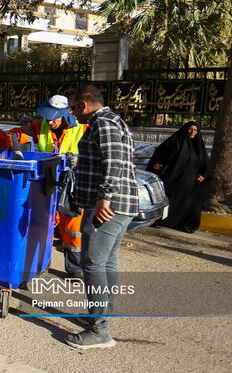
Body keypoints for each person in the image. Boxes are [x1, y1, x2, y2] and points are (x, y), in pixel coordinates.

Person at [65, 85, 138, 350]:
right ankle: (101, 316)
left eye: (73, 108)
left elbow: (114, 161)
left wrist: (105, 197)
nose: (72, 113)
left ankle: (100, 331)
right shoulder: (113, 120)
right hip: (120, 204)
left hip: (108, 206)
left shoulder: (102, 123)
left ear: (83, 105)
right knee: (107, 262)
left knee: (93, 263)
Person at [8, 95, 88, 278]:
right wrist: (17, 150)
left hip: (74, 182)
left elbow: (98, 152)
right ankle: (41, 266)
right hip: (49, 178)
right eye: (47, 117)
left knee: (74, 227)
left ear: (66, 114)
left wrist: (80, 160)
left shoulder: (83, 126)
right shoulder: (39, 126)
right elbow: (14, 133)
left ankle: (76, 271)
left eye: (54, 118)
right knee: (46, 224)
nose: (50, 121)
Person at [146, 121, 209, 233]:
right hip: (173, 179)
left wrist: (203, 175)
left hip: (190, 182)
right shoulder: (175, 141)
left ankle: (182, 224)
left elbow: (205, 163)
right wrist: (157, 163)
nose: (192, 132)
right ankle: (161, 221)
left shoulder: (198, 146)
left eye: (195, 130)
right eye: (190, 129)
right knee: (169, 199)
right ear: (185, 129)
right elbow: (160, 153)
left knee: (187, 203)